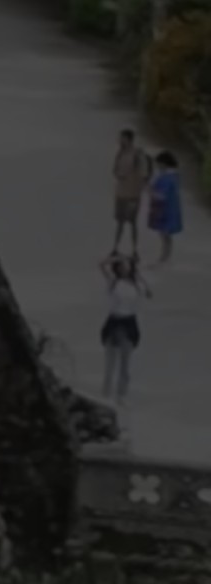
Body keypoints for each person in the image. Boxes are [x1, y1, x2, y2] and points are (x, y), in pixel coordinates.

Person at [98, 252, 151, 405]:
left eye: (126, 265)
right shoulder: (113, 282)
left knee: (125, 364)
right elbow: (101, 265)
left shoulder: (136, 283)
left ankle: (121, 395)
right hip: (114, 321)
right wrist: (119, 257)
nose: (124, 268)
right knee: (110, 364)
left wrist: (135, 267)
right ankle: (106, 394)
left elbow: (146, 290)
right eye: (122, 266)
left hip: (129, 323)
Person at [112, 129, 150, 255]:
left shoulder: (137, 154)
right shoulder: (120, 153)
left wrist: (143, 188)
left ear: (129, 139)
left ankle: (134, 249)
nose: (120, 140)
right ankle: (115, 248)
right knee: (120, 222)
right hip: (121, 193)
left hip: (133, 194)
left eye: (123, 138)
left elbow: (144, 173)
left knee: (132, 222)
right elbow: (115, 170)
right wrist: (119, 175)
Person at [146, 150, 183, 266]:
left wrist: (150, 191)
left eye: (159, 164)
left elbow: (161, 196)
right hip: (169, 209)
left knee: (165, 235)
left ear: (163, 163)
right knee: (165, 235)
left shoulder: (167, 178)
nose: (157, 166)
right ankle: (165, 257)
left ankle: (164, 258)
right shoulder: (173, 176)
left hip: (165, 210)